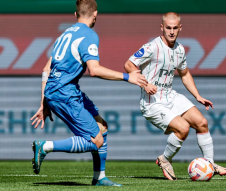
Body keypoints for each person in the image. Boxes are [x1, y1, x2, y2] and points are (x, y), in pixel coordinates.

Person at [30, 0, 147, 187]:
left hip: (61, 90)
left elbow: (46, 69)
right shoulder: (89, 35)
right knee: (95, 140)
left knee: (102, 126)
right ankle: (45, 146)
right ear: (95, 15)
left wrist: (44, 102)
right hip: (64, 93)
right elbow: (95, 70)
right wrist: (128, 77)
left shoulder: (64, 35)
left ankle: (99, 177)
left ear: (75, 15)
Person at [124, 12, 226, 181]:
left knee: (202, 123)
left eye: (174, 28)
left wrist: (197, 96)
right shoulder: (152, 47)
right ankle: (165, 160)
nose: (171, 31)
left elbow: (185, 74)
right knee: (183, 128)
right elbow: (129, 64)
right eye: (168, 28)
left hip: (171, 97)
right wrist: (145, 83)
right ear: (162, 28)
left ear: (180, 28)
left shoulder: (179, 50)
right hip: (152, 102)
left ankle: (209, 164)